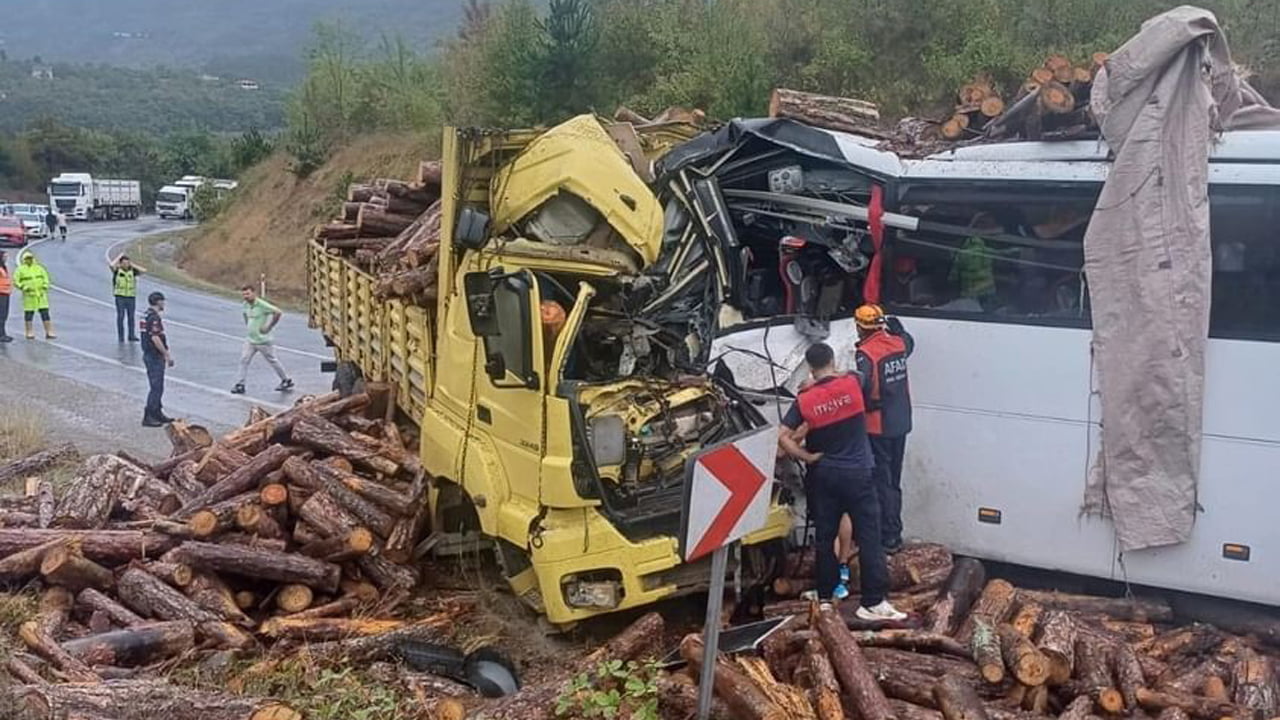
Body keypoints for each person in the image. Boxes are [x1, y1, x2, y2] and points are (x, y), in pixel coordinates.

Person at [778, 342, 905, 621]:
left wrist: (806, 457)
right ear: (832, 360)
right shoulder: (852, 383)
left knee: (824, 538)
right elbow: (853, 374)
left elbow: (783, 436)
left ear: (810, 367)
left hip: (824, 475)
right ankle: (872, 602)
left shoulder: (804, 401)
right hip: (860, 473)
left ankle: (825, 597)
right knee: (870, 536)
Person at [854, 304, 915, 554]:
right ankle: (893, 531)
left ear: (859, 327)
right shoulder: (898, 344)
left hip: (878, 425)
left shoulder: (866, 353)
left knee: (882, 482)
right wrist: (901, 329)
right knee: (894, 479)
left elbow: (863, 387)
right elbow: (909, 342)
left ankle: (889, 536)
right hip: (901, 422)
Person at [232, 284, 293, 394]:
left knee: (272, 360)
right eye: (244, 294)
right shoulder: (245, 304)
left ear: (254, 293)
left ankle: (286, 380)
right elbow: (245, 315)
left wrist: (269, 327)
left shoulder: (261, 305)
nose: (246, 296)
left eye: (248, 294)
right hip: (250, 340)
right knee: (244, 360)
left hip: (263, 341)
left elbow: (278, 312)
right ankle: (240, 384)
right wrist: (249, 326)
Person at [140, 291, 175, 427]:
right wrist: (166, 354)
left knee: (157, 386)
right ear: (158, 302)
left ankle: (157, 412)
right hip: (154, 355)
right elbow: (155, 337)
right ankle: (149, 415)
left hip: (148, 354)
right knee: (156, 387)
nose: (164, 304)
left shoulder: (146, 314)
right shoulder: (154, 317)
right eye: (163, 301)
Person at [13, 252, 54, 340]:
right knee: (29, 314)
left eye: (30, 258)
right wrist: (24, 287)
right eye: (27, 258)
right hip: (29, 295)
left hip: (41, 295)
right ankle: (29, 332)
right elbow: (16, 281)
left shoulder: (39, 268)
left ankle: (49, 331)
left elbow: (46, 278)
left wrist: (45, 286)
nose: (29, 260)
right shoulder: (20, 270)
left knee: (45, 313)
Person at [109, 255, 147, 342]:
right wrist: (118, 257)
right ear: (120, 263)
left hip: (131, 297)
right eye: (124, 263)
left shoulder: (132, 271)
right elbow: (111, 265)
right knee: (121, 316)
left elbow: (144, 271)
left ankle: (131, 335)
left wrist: (132, 265)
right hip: (120, 297)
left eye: (127, 263)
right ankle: (121, 337)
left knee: (131, 317)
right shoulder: (117, 271)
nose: (126, 265)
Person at [0, 251, 12, 343]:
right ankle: (1, 334)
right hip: (1, 294)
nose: (6, 258)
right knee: (1, 315)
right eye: (4, 257)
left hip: (5, 293)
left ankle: (3, 333)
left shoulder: (4, 267)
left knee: (4, 315)